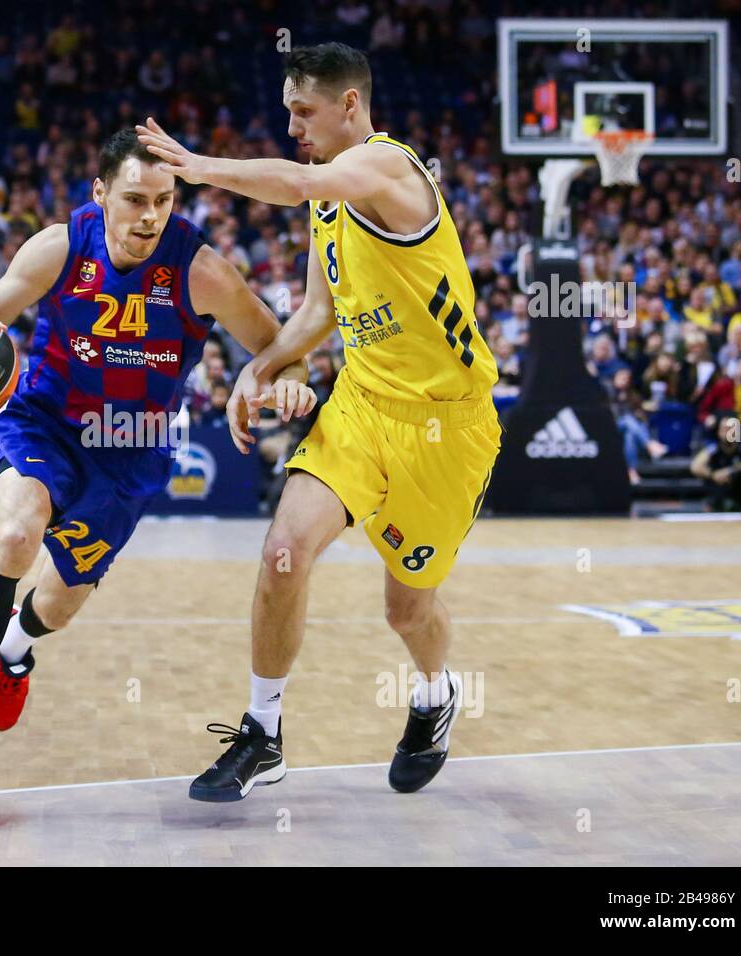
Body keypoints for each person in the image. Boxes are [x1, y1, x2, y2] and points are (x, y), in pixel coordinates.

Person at [138, 42, 502, 800]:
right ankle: (262, 731)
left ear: (349, 106)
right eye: (286, 112)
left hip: (446, 428)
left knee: (408, 609)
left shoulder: (387, 167)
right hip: (364, 406)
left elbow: (299, 178)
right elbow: (316, 312)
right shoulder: (329, 199)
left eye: (304, 112)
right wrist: (259, 366)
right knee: (283, 549)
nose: (293, 125)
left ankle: (435, 696)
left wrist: (202, 167)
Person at [0, 129, 317, 797]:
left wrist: (286, 377)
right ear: (101, 193)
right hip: (45, 424)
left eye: (164, 200)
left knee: (59, 603)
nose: (150, 216)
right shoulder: (59, 246)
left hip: (131, 450)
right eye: (135, 199)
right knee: (17, 536)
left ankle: (15, 652)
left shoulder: (201, 271)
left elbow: (277, 344)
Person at [692, 416, 741, 511]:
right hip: (717, 494)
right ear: (718, 432)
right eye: (725, 429)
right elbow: (695, 466)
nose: (729, 433)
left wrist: (730, 471)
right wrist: (713, 474)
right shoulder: (713, 449)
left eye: (732, 429)